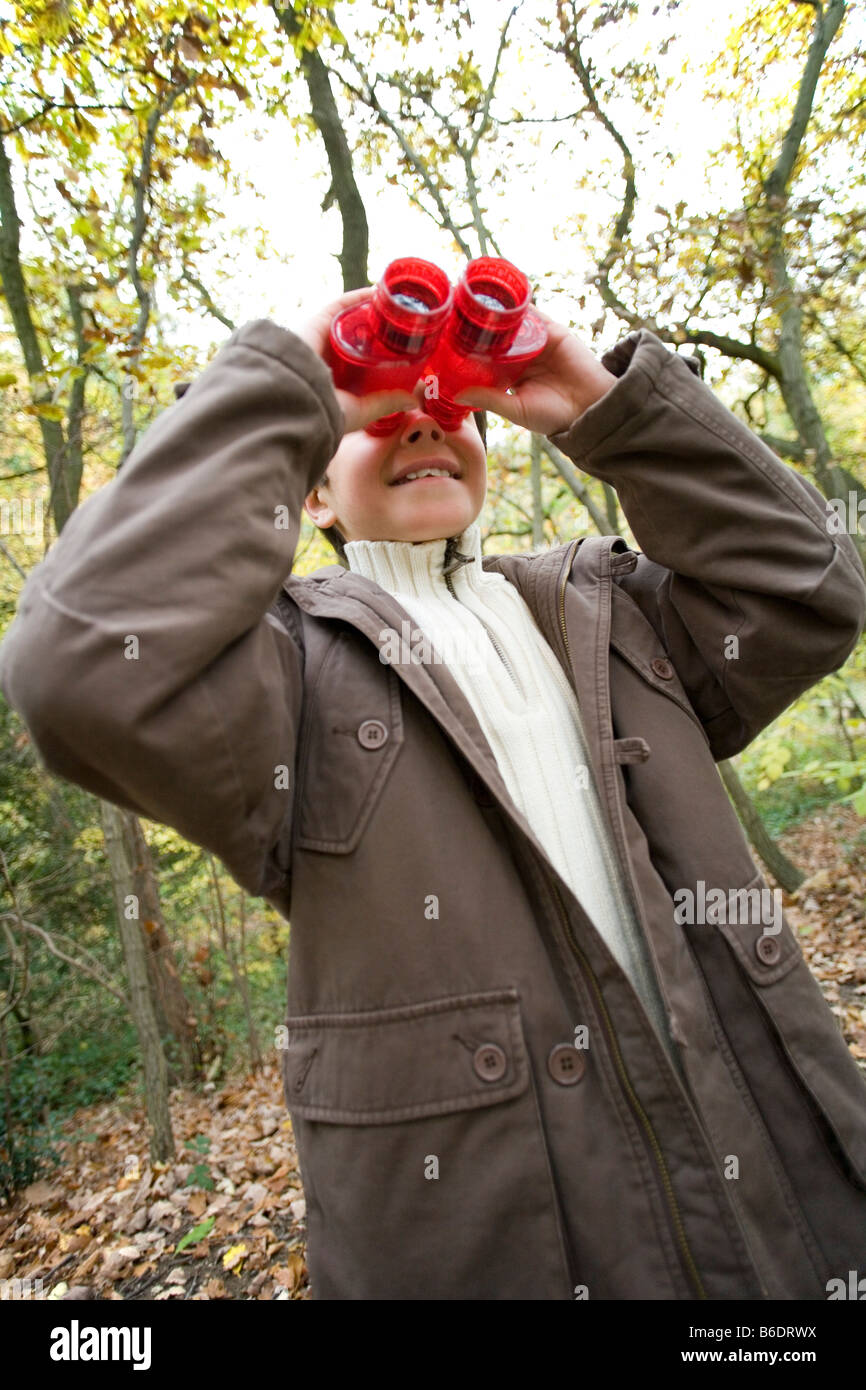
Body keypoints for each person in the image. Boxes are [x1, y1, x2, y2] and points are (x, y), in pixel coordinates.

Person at [1, 284, 865, 1302]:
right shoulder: (282, 678)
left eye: (449, 410)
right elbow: (83, 668)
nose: (421, 421)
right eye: (376, 418)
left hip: (775, 1219)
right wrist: (289, 384)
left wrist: (604, 407)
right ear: (308, 496)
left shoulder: (611, 613)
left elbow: (809, 589)